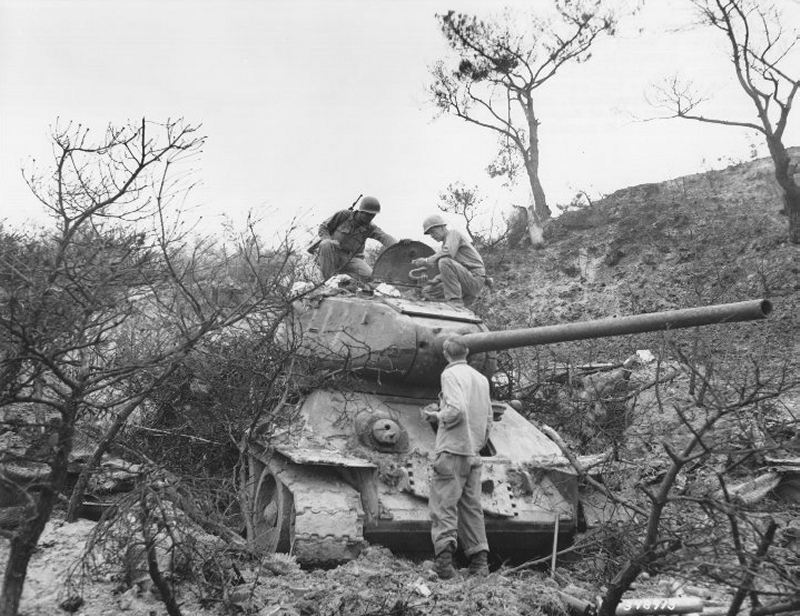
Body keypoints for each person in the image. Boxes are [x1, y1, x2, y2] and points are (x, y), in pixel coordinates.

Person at [420, 337, 492, 579]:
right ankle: (479, 564)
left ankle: (443, 564)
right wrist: (477, 444)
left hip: (452, 450)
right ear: (468, 351)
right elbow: (489, 417)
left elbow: (456, 409)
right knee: (472, 508)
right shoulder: (481, 379)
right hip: (473, 453)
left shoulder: (449, 375)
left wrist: (436, 415)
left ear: (445, 353)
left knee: (444, 506)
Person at [316, 196, 396, 281]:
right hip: (333, 254)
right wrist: (327, 239)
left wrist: (401, 245)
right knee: (325, 244)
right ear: (360, 211)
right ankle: (327, 282)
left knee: (371, 278)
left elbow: (384, 237)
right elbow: (323, 227)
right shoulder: (344, 215)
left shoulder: (370, 228)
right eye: (368, 214)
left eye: (373, 215)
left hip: (351, 259)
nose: (370, 217)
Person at [412, 214, 486, 306]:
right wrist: (434, 281)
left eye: (433, 232)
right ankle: (445, 307)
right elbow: (453, 270)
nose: (432, 236)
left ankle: (455, 300)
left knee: (444, 261)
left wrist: (426, 261)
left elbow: (448, 253)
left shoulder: (453, 234)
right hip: (465, 280)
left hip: (474, 279)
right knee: (428, 291)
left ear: (442, 227)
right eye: (430, 234)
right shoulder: (446, 244)